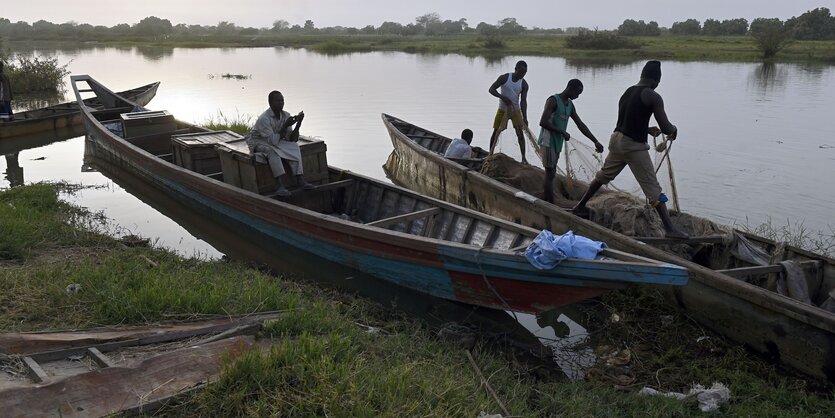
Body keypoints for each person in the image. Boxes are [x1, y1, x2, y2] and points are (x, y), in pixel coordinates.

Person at [571, 61, 688, 239]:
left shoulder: (628, 92)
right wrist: (674, 130)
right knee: (653, 188)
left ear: (642, 75)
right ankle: (670, 230)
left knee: (603, 175)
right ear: (656, 80)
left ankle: (580, 206)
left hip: (617, 139)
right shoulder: (653, 96)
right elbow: (666, 127)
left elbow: (629, 119)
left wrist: (647, 129)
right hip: (633, 146)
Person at [538, 79, 604, 203]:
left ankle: (548, 200)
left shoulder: (570, 105)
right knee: (550, 172)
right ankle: (549, 203)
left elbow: (580, 124)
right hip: (547, 141)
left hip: (557, 142)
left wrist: (595, 141)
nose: (577, 96)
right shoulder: (553, 100)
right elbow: (543, 122)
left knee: (551, 172)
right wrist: (561, 131)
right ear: (570, 88)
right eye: (577, 93)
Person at [245, 90, 314, 197]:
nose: (281, 103)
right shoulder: (264, 118)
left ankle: (300, 179)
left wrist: (298, 123)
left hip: (275, 139)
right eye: (278, 101)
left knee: (295, 147)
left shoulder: (286, 115)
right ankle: (279, 185)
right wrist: (285, 126)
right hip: (258, 141)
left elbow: (292, 139)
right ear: (270, 103)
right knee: (272, 151)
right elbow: (272, 142)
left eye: (282, 100)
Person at [488, 60, 529, 164]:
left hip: (516, 111)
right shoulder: (505, 78)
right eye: (521, 72)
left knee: (520, 133)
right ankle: (490, 154)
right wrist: (502, 97)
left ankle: (523, 158)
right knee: (496, 132)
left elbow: (523, 102)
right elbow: (491, 89)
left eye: (525, 73)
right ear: (516, 69)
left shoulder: (524, 84)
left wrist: (525, 117)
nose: (522, 74)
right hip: (502, 110)